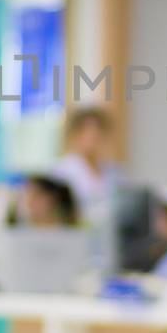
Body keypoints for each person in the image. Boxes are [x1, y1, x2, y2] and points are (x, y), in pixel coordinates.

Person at [52, 107, 120, 260]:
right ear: (75, 135)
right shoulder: (64, 172)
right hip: (74, 243)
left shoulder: (113, 172)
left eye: (98, 132)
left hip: (107, 243)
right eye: (87, 132)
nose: (93, 138)